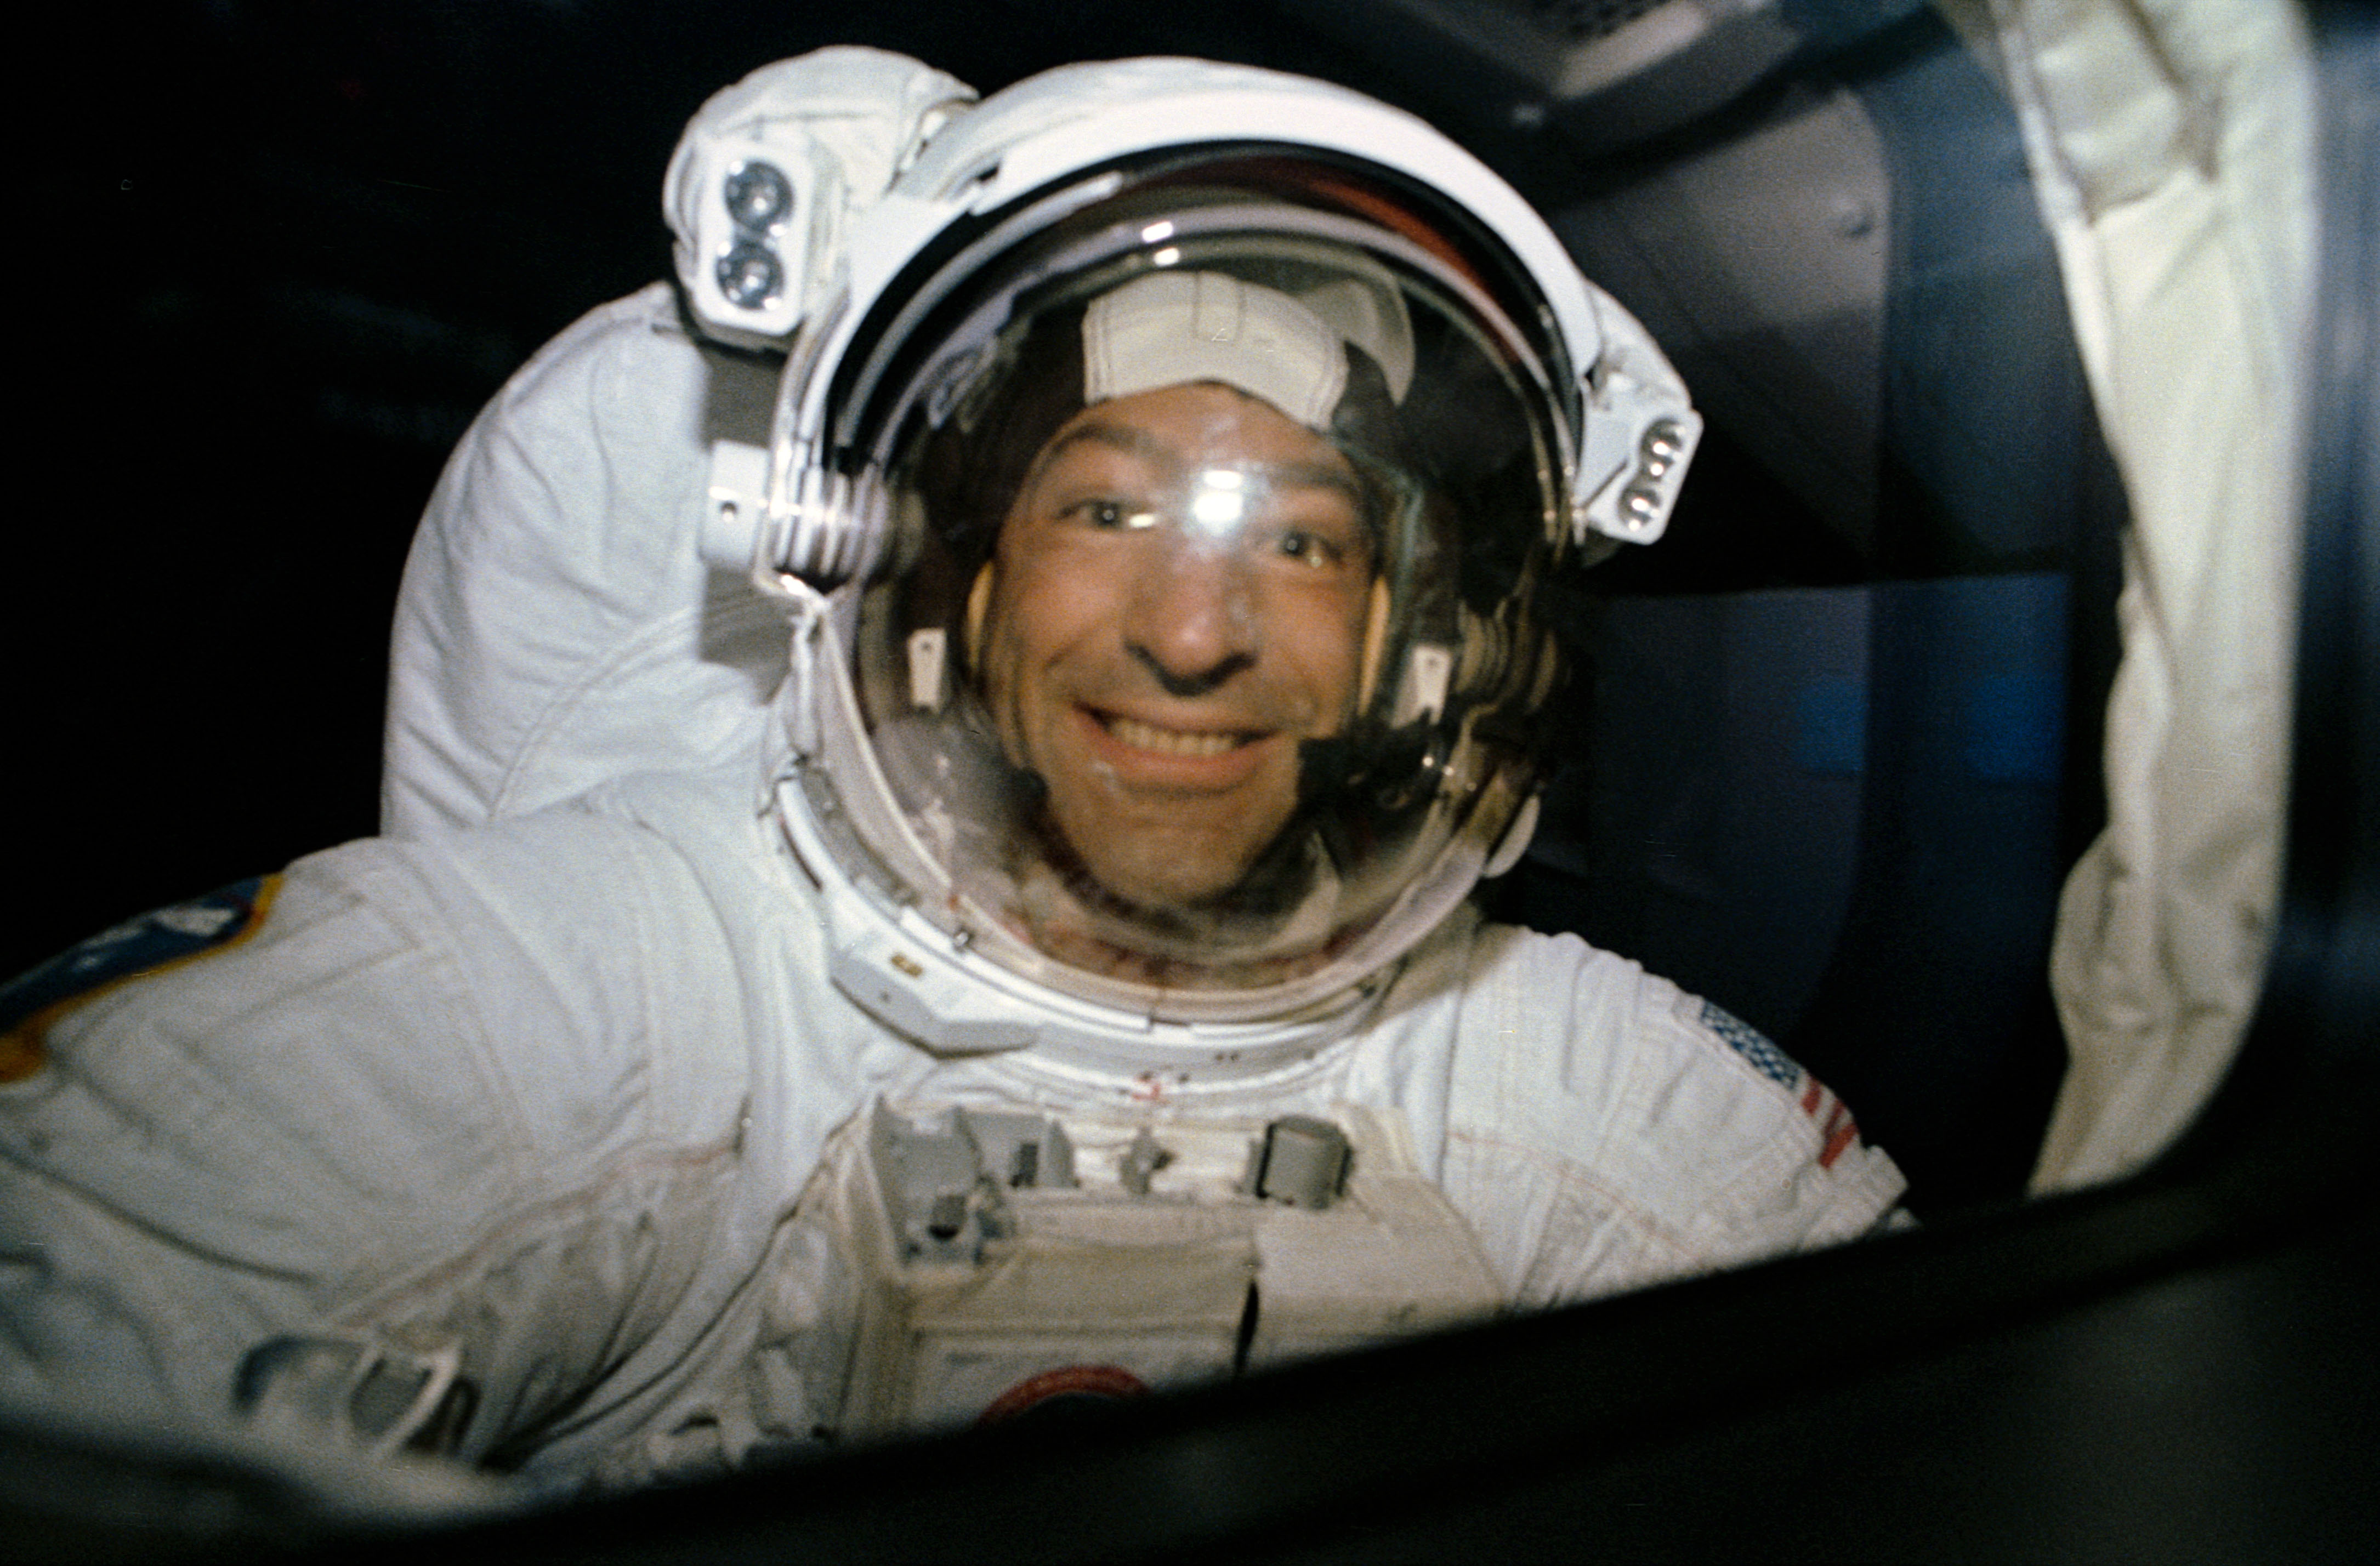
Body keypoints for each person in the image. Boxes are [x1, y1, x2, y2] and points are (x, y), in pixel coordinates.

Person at [2, 50, 1904, 1494]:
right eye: (1107, 508)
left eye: (1303, 541)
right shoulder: (594, 995)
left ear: (1419, 644)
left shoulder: (1538, 1070)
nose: (1193, 628)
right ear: (956, 582)